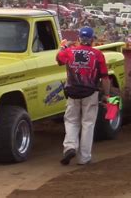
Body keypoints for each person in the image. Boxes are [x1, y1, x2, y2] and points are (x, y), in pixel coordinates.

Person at [56, 27, 110, 165]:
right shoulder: (98, 54)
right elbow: (104, 78)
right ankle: (84, 157)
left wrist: (64, 46)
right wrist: (107, 95)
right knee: (88, 124)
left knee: (71, 121)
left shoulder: (69, 51)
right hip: (90, 92)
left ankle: (70, 146)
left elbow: (58, 59)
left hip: (72, 92)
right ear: (92, 40)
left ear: (79, 38)